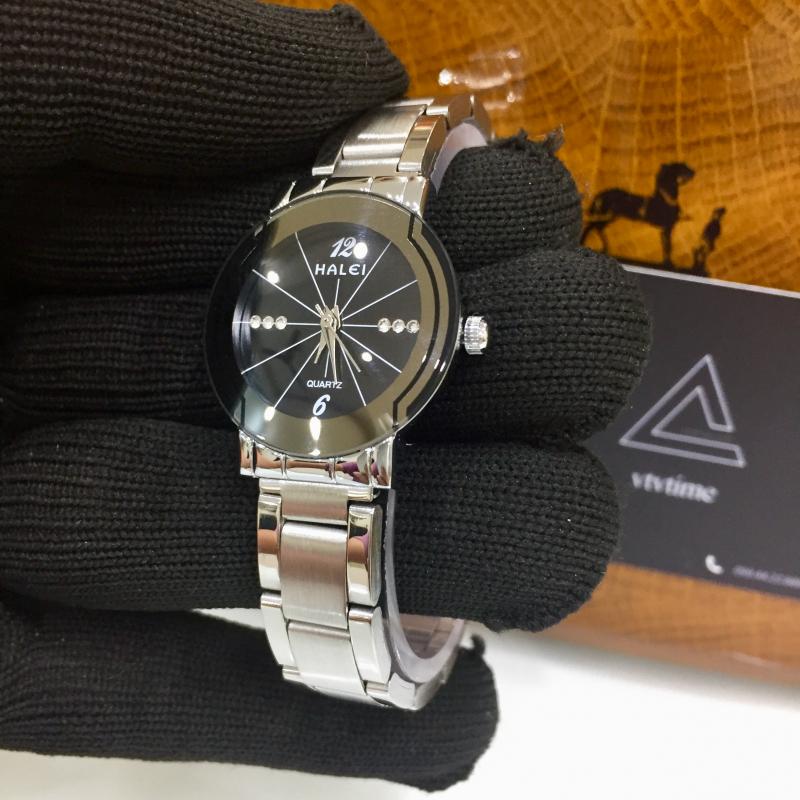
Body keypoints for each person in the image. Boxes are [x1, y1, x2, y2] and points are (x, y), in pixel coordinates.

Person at [0, 0, 649, 790]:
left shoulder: (425, 315)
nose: (331, 320)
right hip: (271, 418)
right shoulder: (277, 285)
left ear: (460, 335)